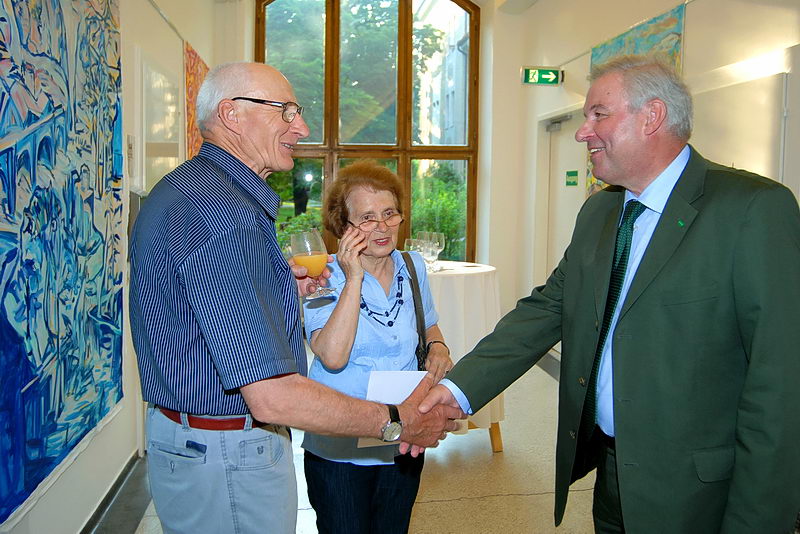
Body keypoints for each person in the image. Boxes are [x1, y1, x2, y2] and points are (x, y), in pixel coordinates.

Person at [413, 54, 800, 532]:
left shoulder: (752, 210)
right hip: (612, 475)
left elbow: (780, 384)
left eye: (599, 114)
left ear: (652, 116)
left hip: (700, 491)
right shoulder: (600, 212)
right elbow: (546, 310)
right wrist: (456, 391)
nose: (583, 132)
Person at [129, 62, 463, 534]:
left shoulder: (197, 193)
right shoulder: (219, 215)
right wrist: (397, 421)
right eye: (284, 111)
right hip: (226, 453)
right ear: (231, 114)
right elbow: (271, 394)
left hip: (214, 445)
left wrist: (277, 285)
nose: (301, 128)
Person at [301, 160, 453, 534]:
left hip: (403, 435)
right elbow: (332, 356)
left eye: (389, 213)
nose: (382, 226)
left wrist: (437, 345)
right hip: (340, 444)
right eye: (367, 218)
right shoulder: (320, 275)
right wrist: (353, 277)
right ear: (344, 227)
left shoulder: (412, 266)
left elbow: (428, 323)